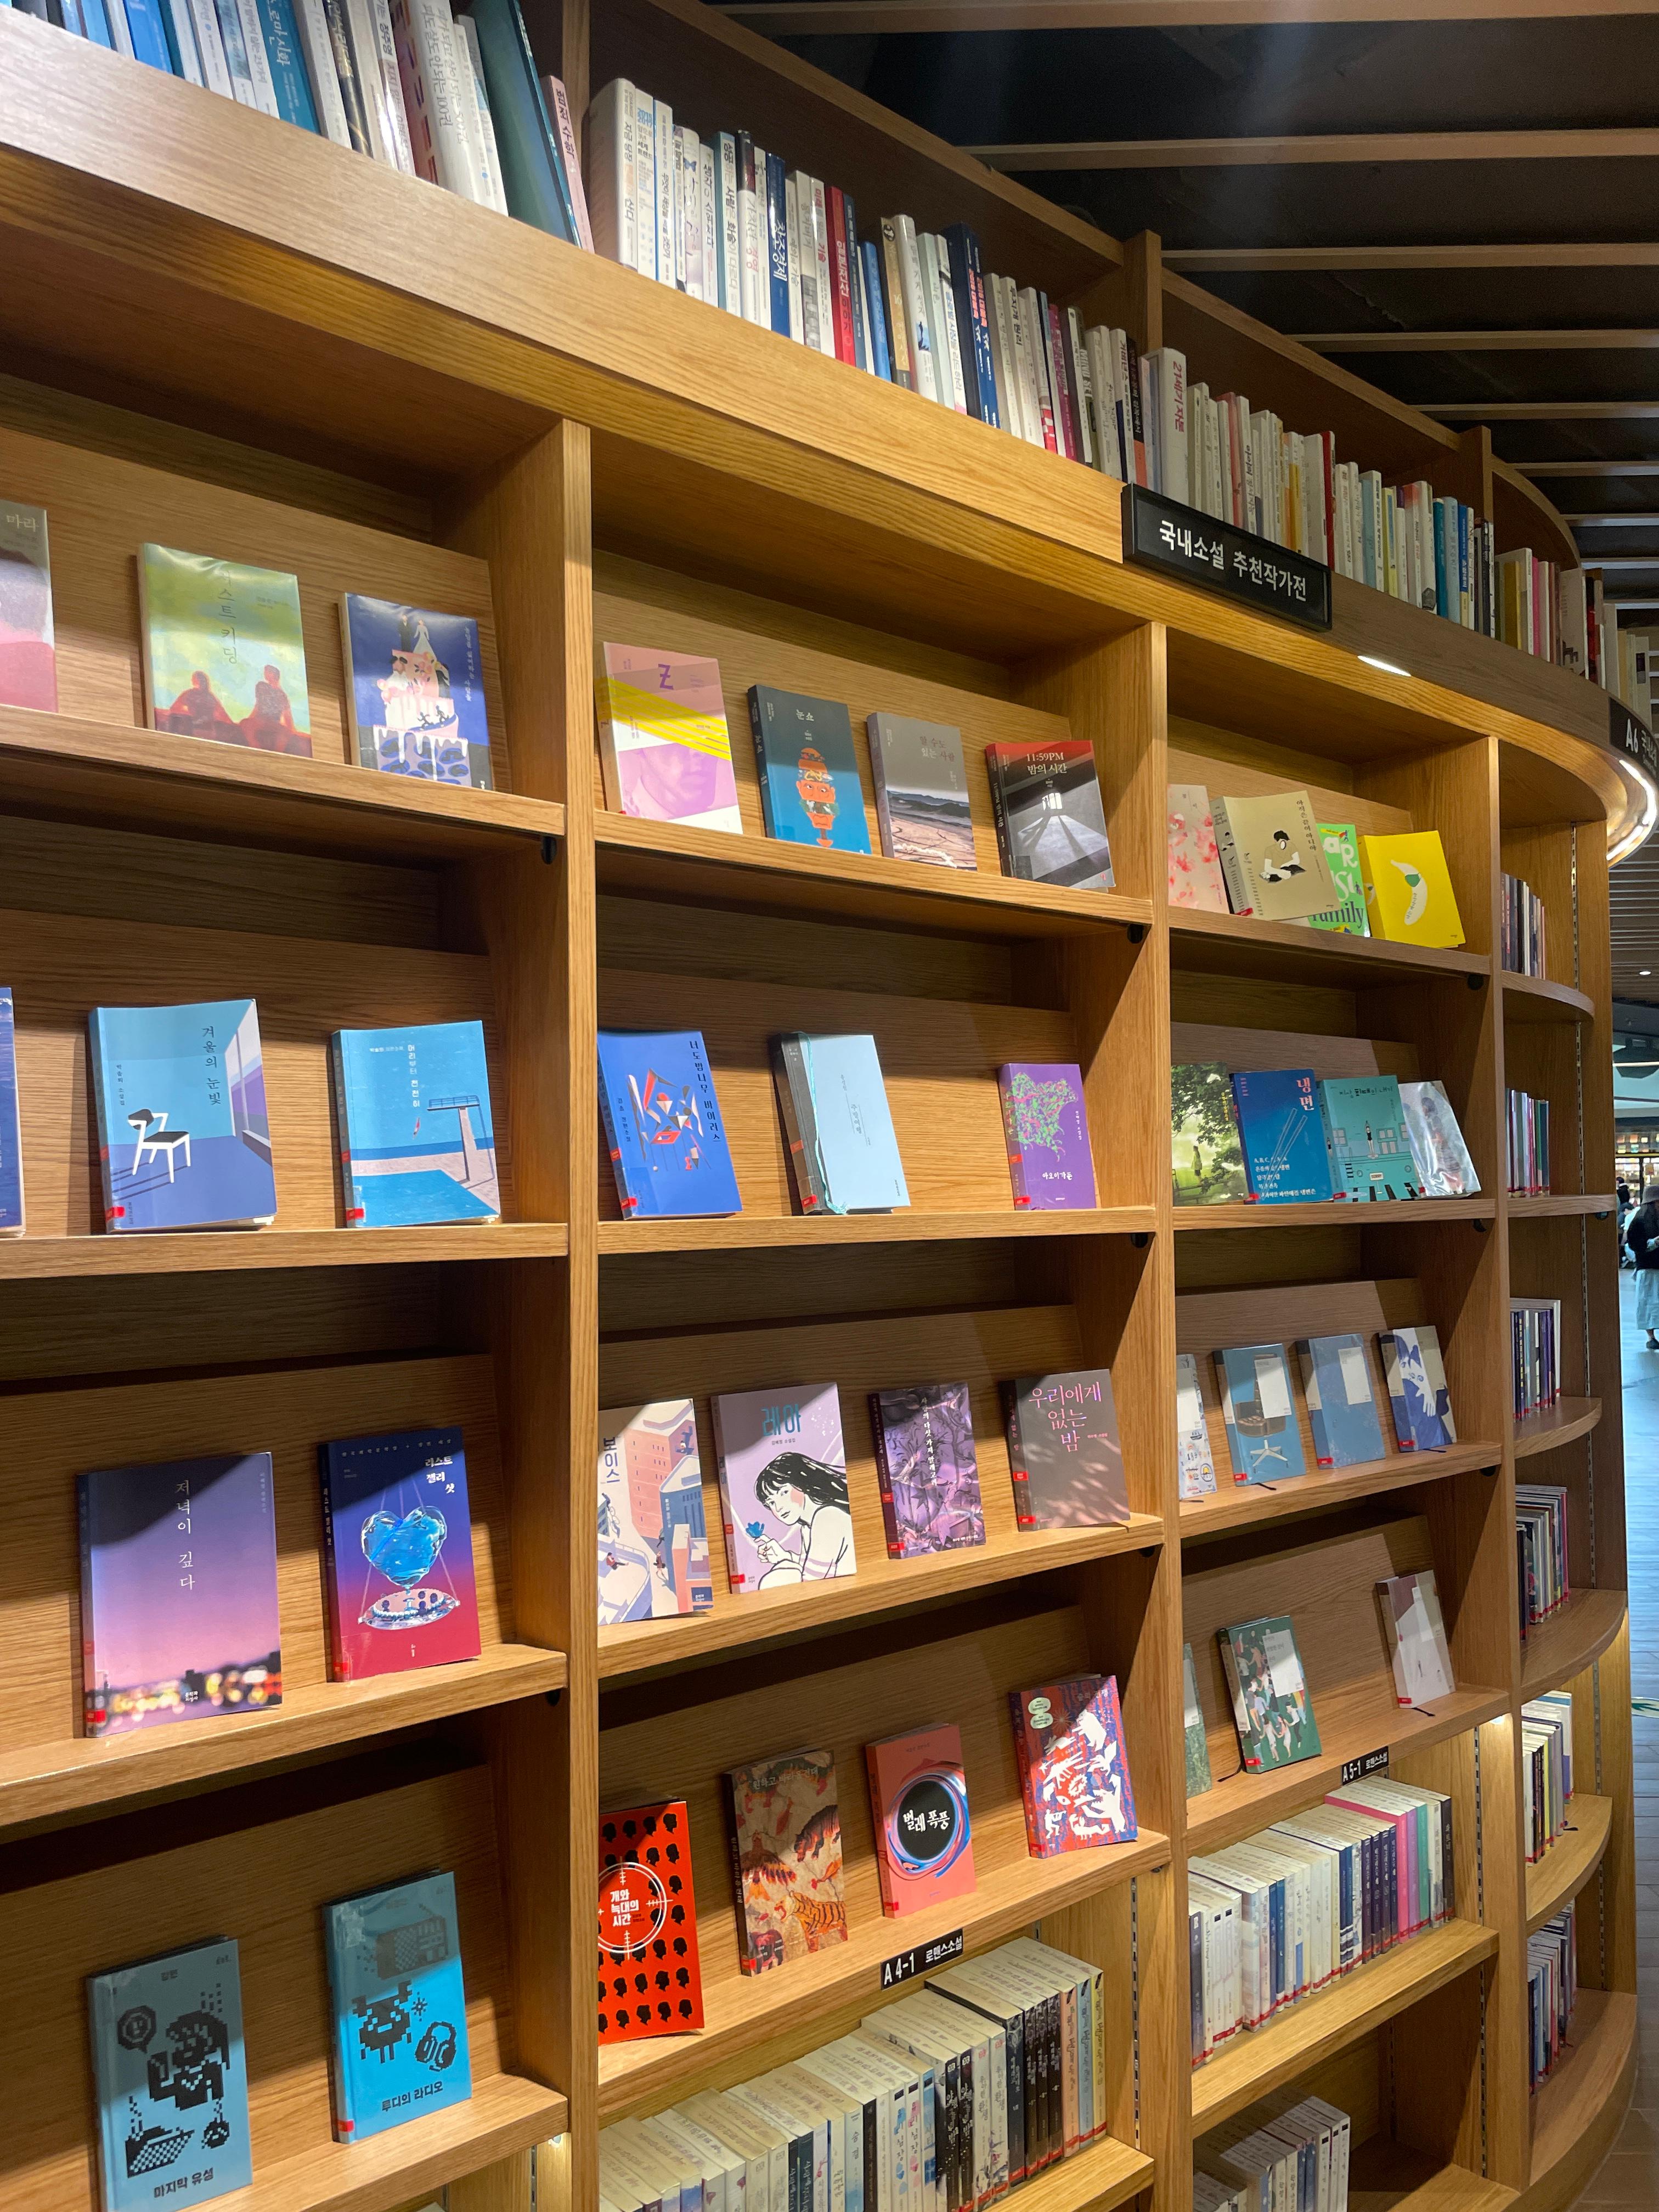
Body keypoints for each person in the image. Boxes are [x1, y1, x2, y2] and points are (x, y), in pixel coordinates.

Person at [1627, 1180, 1659, 1348]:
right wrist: (1653, 1243)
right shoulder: (1639, 1222)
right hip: (1647, 1268)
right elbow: (1635, 1245)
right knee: (1648, 1302)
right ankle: (1651, 1337)